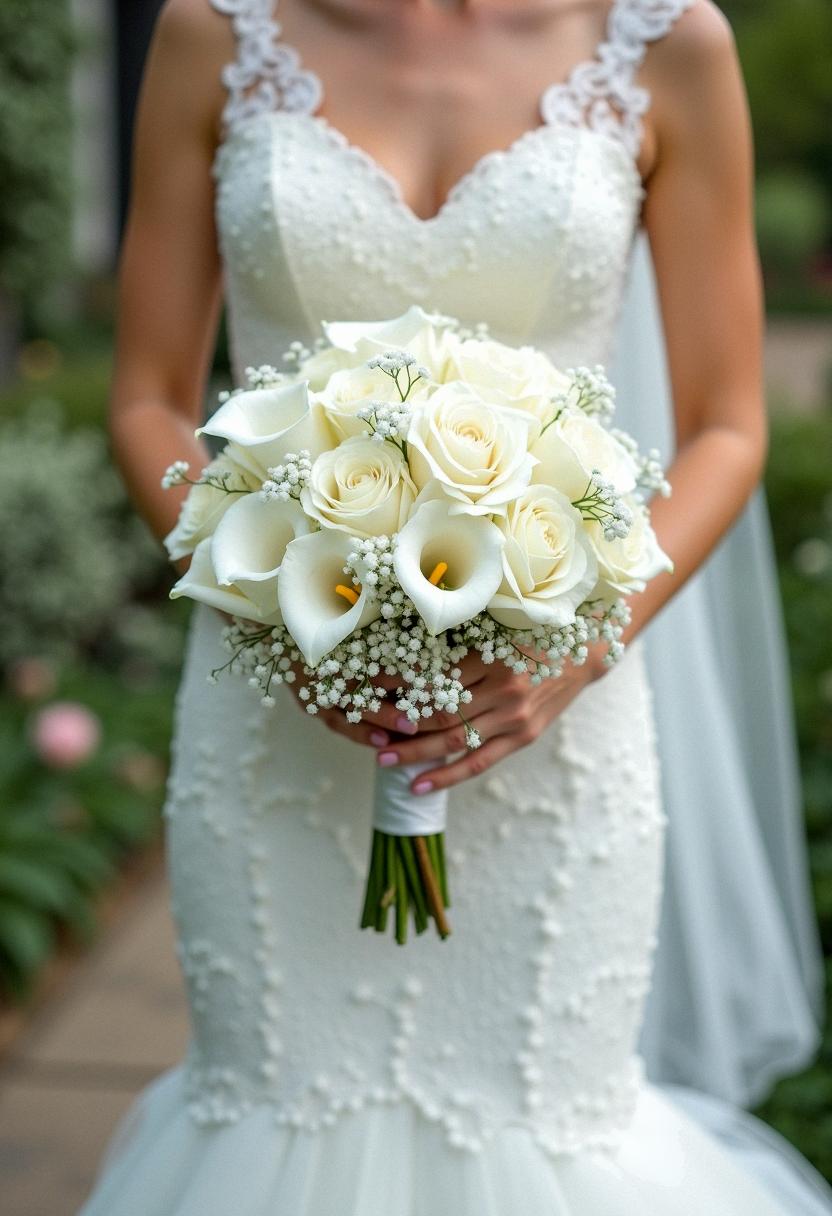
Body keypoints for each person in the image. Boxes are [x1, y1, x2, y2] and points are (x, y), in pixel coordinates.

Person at [78, 1, 832, 1211]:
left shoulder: (667, 41)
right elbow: (149, 395)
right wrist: (266, 595)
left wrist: (576, 647)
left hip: (556, 727)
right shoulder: (213, 33)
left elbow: (728, 422)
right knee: (273, 1105)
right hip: (278, 711)